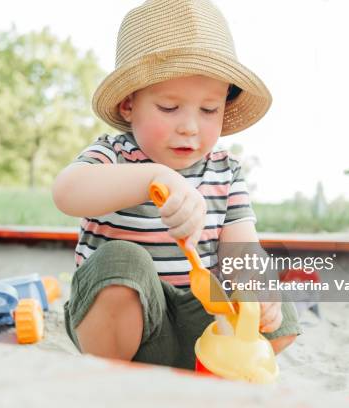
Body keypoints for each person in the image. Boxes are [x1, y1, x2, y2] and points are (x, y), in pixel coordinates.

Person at [53, 0, 301, 370]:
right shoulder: (113, 155)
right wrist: (155, 177)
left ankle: (225, 364)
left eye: (209, 110)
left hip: (201, 327)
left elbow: (239, 249)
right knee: (124, 259)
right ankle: (116, 373)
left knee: (267, 283)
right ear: (128, 105)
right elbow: (67, 192)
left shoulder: (225, 170)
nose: (190, 126)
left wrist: (256, 283)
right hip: (123, 328)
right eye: (170, 108)